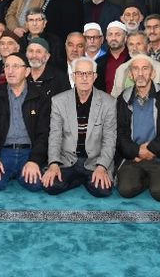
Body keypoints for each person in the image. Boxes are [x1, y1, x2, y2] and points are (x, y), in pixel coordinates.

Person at [0, 50, 50, 191]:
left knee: (36, 185)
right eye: (7, 66)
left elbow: (44, 134)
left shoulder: (39, 97)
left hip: (29, 152)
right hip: (3, 151)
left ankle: (24, 173)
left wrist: (35, 160)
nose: (10, 71)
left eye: (15, 66)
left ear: (27, 71)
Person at [43, 57, 116, 197]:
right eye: (79, 73)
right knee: (50, 186)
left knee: (103, 190)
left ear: (95, 77)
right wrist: (53, 164)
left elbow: (110, 139)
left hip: (95, 161)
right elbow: (55, 136)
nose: (84, 78)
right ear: (73, 76)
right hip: (67, 160)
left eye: (88, 73)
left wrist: (102, 167)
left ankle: (82, 178)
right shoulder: (58, 101)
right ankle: (81, 179)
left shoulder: (108, 102)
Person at [115, 54, 160, 201]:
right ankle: (147, 179)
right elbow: (119, 133)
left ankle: (154, 180)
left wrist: (151, 148)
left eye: (145, 68)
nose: (140, 73)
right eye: (136, 69)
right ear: (131, 74)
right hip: (133, 158)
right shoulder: (123, 98)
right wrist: (137, 151)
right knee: (126, 190)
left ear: (153, 73)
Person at [109, 30, 160, 97]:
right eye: (131, 44)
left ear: (148, 46)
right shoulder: (121, 69)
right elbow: (114, 98)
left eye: (138, 44)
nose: (134, 48)